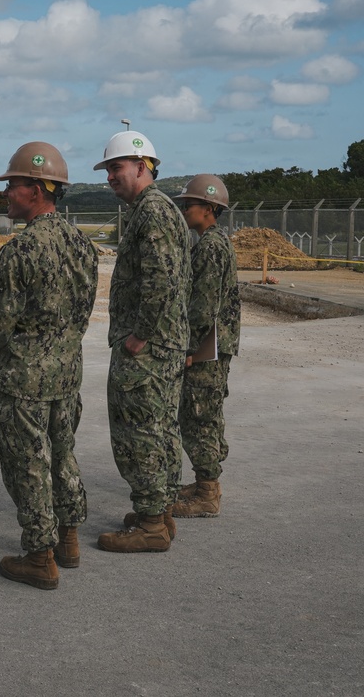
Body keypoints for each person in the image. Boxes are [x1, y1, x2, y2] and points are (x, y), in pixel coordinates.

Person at [0, 142, 98, 588]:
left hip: (25, 379)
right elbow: (83, 313)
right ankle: (68, 539)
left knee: (27, 464)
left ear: (38, 189)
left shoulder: (20, 252)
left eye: (13, 185)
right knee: (63, 456)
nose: (7, 193)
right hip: (67, 375)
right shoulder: (82, 246)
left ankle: (39, 556)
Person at [94, 130, 191, 553]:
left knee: (140, 432)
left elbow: (161, 280)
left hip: (149, 347)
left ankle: (152, 523)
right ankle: (160, 512)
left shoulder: (152, 211)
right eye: (108, 170)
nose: (111, 177)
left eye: (116, 168)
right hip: (163, 343)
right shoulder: (153, 209)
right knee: (161, 427)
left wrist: (139, 335)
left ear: (142, 166)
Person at [170, 174, 240, 518]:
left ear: (209, 208)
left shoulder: (211, 246)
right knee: (205, 414)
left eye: (189, 204)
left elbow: (203, 307)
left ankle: (207, 494)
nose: (184, 209)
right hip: (213, 342)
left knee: (199, 416)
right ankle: (204, 482)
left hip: (207, 345)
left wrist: (188, 349)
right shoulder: (211, 241)